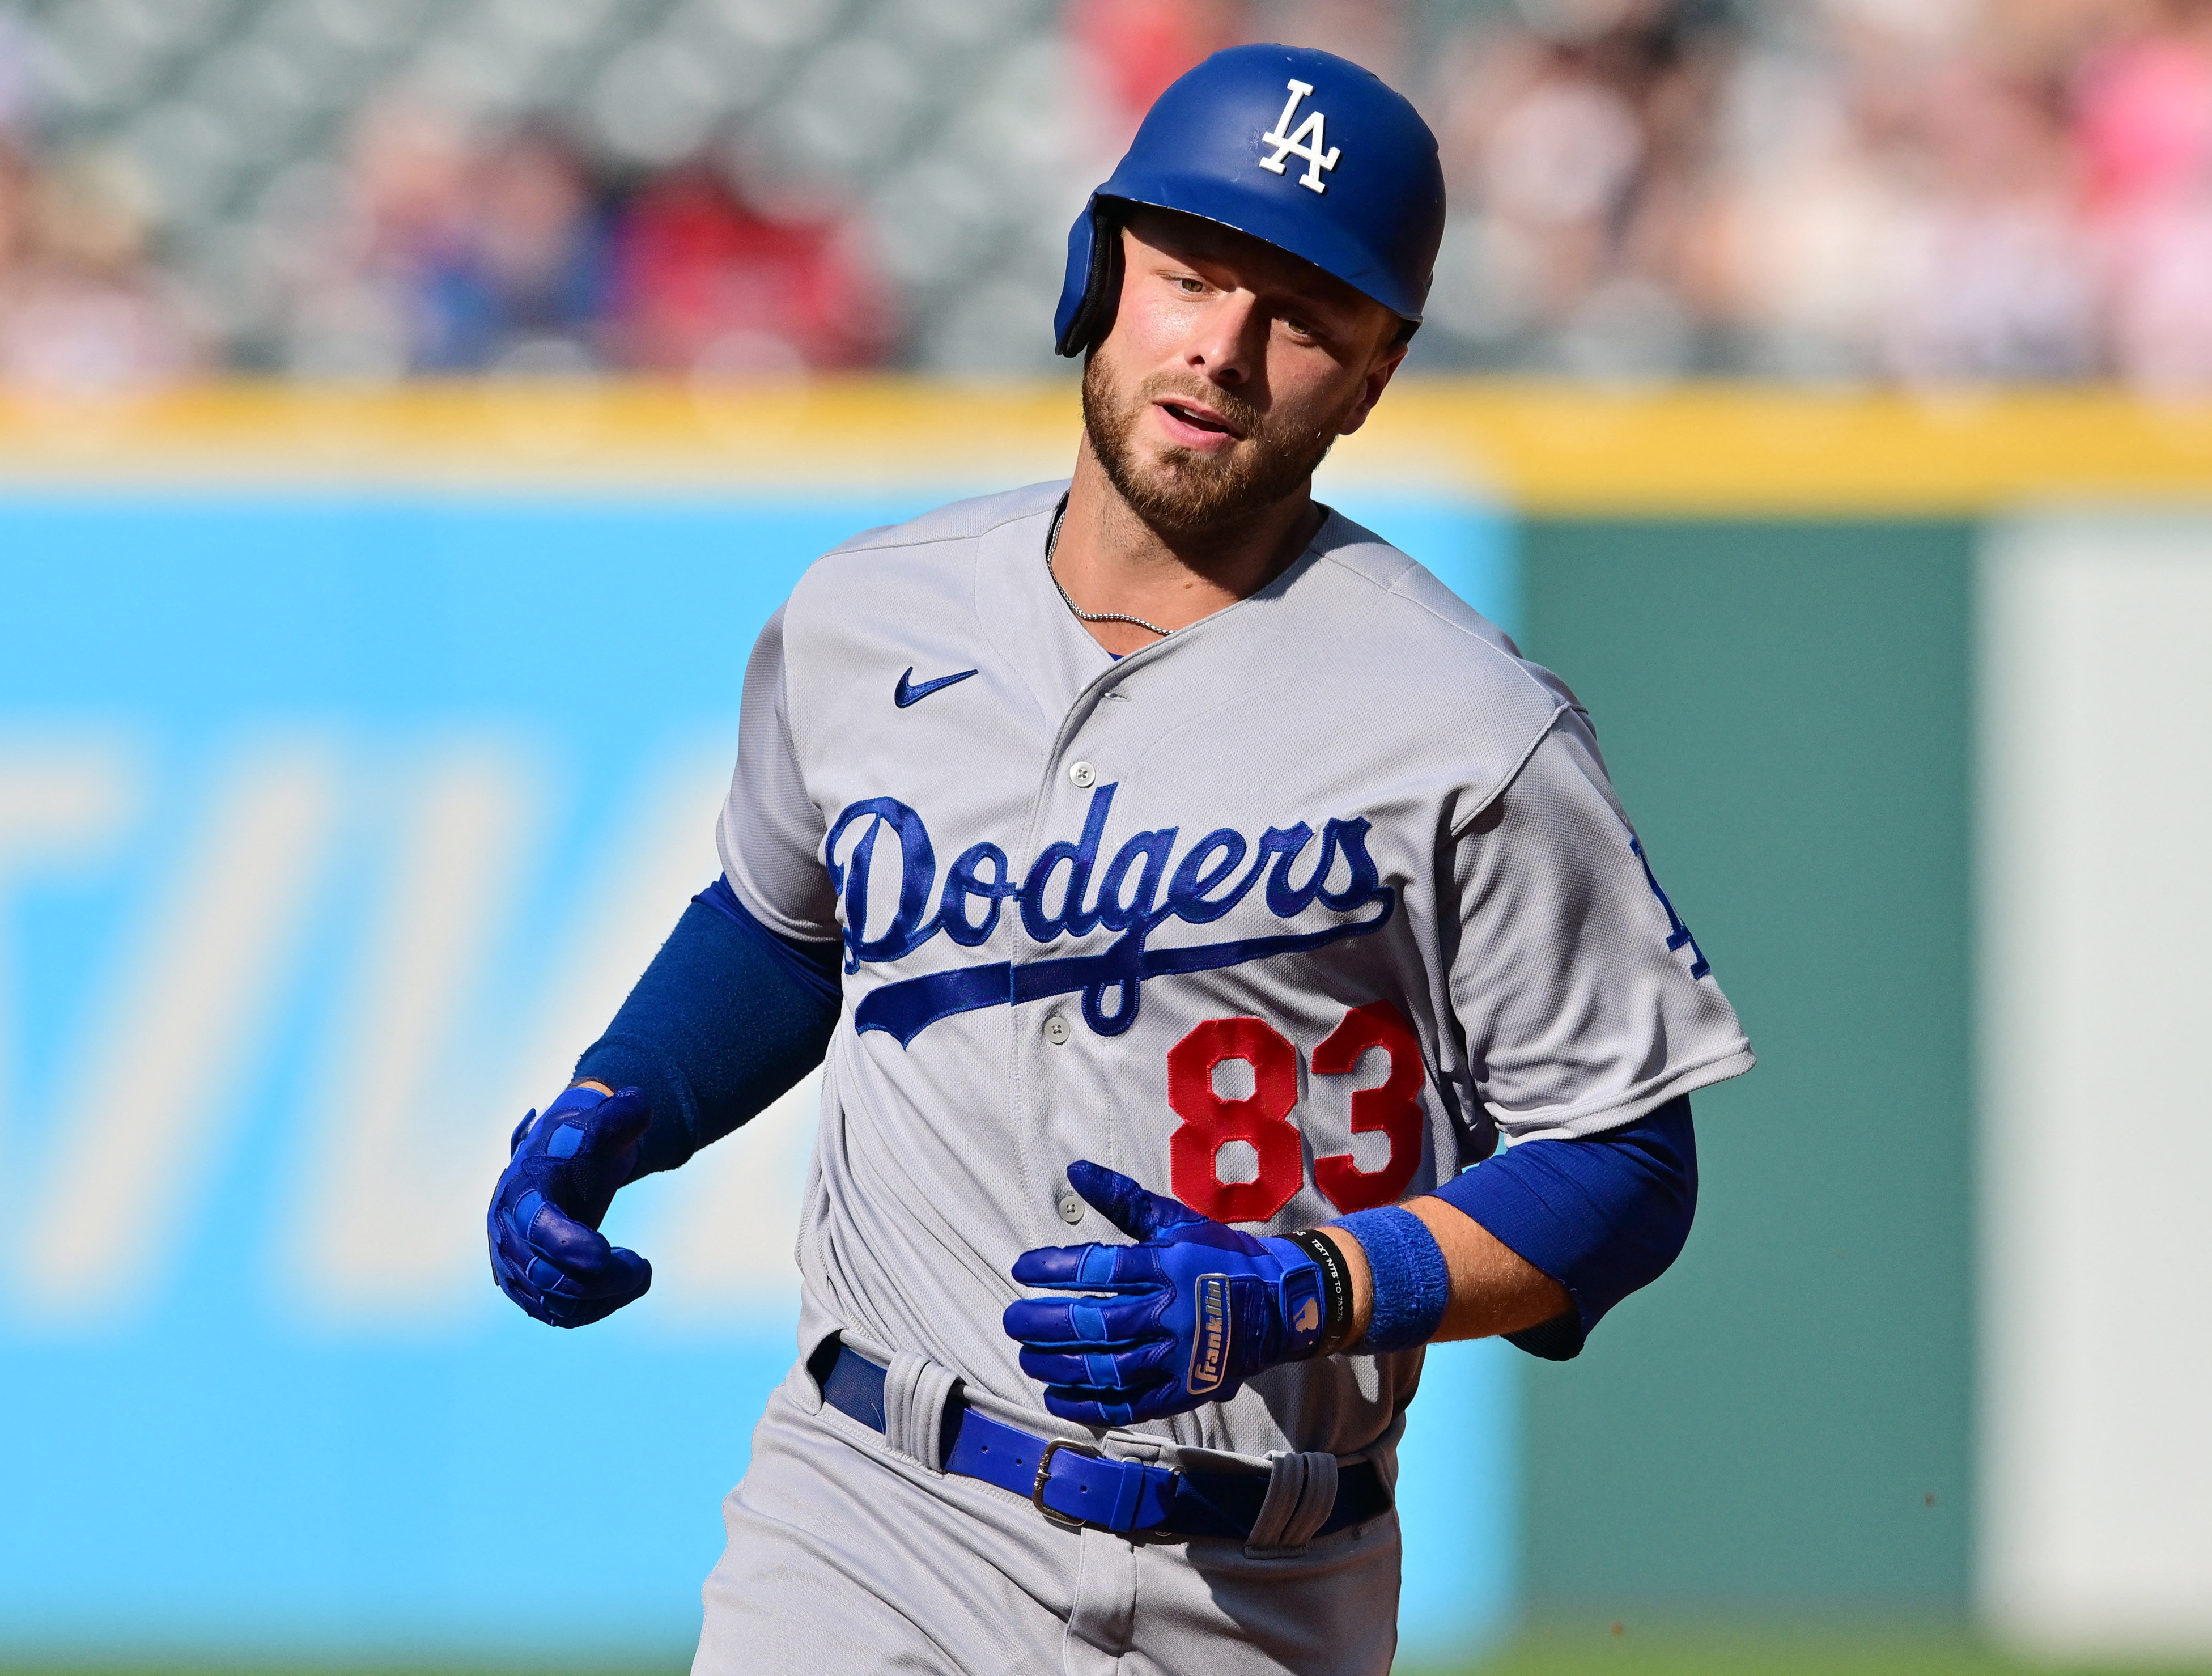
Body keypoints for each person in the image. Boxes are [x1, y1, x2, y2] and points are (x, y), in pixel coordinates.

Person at [485, 43, 1752, 1675]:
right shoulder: (871, 620)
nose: (1221, 348)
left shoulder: (1470, 729)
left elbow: (1628, 1166)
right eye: (1190, 274)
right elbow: (790, 928)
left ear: (1375, 375)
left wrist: (1308, 1292)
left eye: (1299, 315)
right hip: (877, 1513)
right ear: (1099, 269)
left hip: (1262, 1577)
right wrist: (621, 1102)